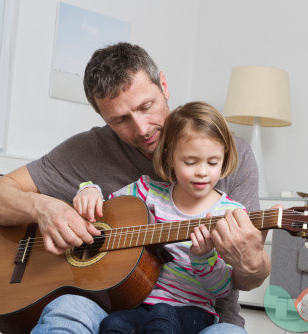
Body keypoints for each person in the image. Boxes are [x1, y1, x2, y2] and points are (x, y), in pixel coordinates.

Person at [0, 42, 270, 333]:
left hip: (204, 315)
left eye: (146, 106)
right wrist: (45, 207)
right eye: (120, 119)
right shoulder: (88, 150)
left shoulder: (230, 154)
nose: (141, 128)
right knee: (65, 312)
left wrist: (249, 258)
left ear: (163, 85)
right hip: (107, 306)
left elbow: (249, 280)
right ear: (103, 117)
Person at [75, 102, 244, 333]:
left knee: (162, 315)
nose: (202, 172)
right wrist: (89, 189)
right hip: (140, 304)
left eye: (213, 162)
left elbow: (222, 290)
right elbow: (104, 215)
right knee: (111, 323)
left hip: (194, 312)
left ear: (224, 157)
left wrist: (203, 258)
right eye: (190, 162)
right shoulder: (146, 191)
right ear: (170, 156)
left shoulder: (231, 214)